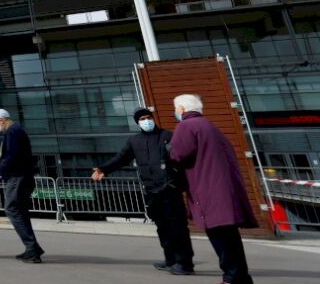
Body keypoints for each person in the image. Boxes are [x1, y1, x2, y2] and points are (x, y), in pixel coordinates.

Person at [92, 107, 194, 275]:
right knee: (162, 227)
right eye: (142, 119)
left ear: (153, 118)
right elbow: (121, 158)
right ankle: (170, 259)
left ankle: (184, 262)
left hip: (169, 187)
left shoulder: (167, 136)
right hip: (151, 190)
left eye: (148, 117)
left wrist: (182, 183)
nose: (146, 121)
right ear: (138, 123)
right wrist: (105, 169)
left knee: (178, 226)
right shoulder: (135, 141)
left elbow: (182, 160)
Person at [169, 94, 257, 284]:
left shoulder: (186, 126)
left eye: (176, 109)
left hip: (207, 189)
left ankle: (232, 277)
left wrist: (168, 152)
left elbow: (178, 154)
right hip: (223, 187)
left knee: (220, 236)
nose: (176, 112)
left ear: (181, 109)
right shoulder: (209, 126)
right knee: (230, 236)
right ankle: (241, 276)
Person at [0, 108, 44, 263]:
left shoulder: (13, 132)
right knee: (20, 211)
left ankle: (32, 249)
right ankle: (32, 248)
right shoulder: (16, 131)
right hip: (22, 176)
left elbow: (13, 155)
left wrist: (3, 166)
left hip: (17, 177)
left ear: (2, 119)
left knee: (12, 209)